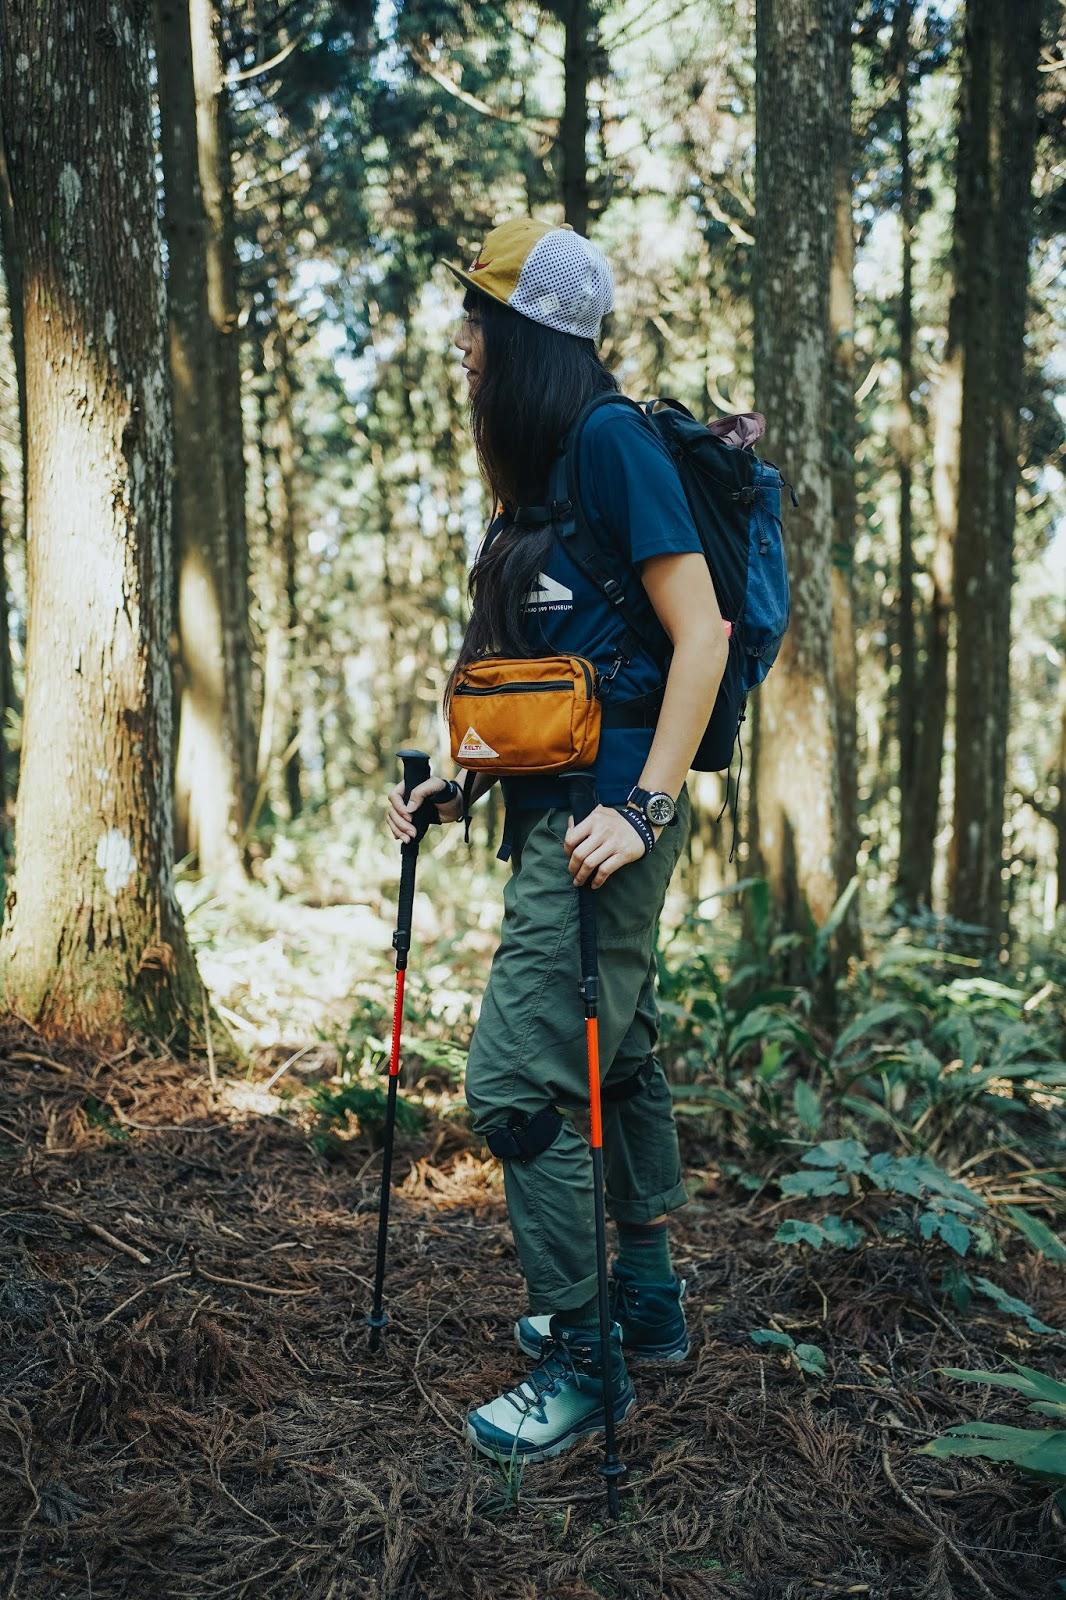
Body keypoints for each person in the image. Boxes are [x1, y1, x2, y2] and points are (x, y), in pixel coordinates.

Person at [385, 215, 728, 1464]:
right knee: (615, 1055)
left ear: (531, 334)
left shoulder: (612, 440)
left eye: (478, 319)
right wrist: (456, 792)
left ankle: (584, 1360)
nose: (462, 340)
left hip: (606, 827)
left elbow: (703, 635)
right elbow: (537, 684)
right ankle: (645, 1305)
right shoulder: (535, 482)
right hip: (554, 813)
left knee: (520, 1082)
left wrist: (641, 808)